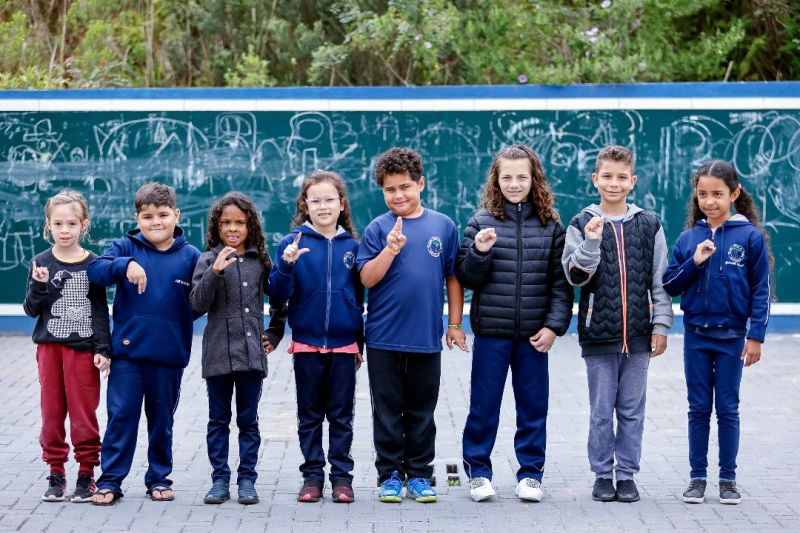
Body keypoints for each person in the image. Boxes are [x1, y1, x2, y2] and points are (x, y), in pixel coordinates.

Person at [457, 145, 572, 503]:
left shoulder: (551, 225)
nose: (514, 183)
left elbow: (561, 283)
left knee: (534, 407)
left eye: (522, 176)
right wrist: (479, 251)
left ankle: (531, 475)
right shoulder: (480, 222)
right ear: (496, 179)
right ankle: (478, 472)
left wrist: (554, 326)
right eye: (507, 177)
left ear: (533, 178)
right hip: (492, 332)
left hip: (534, 336)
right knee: (484, 406)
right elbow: (467, 277)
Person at [562, 145, 673, 503]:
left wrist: (660, 325)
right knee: (600, 412)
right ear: (596, 179)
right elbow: (575, 277)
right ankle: (601, 475)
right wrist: (592, 242)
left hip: (639, 336)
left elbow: (660, 280)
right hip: (599, 334)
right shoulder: (581, 223)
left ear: (632, 181)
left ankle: (626, 475)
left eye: (621, 177)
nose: (614, 183)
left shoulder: (649, 223)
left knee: (631, 411)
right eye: (607, 176)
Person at [357, 147, 468, 503]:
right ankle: (389, 474)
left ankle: (420, 474)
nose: (398, 195)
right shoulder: (377, 228)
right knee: (387, 411)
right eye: (389, 190)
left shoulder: (443, 226)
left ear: (421, 184)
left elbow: (453, 278)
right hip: (383, 339)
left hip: (425, 340)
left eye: (405, 186)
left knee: (422, 410)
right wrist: (389, 250)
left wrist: (453, 324)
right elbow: (367, 279)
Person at [663, 160, 770, 505]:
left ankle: (728, 478)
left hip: (732, 338)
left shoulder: (749, 237)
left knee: (727, 408)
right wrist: (694, 261)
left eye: (718, 194)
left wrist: (756, 336)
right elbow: (669, 284)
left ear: (734, 194)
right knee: (697, 409)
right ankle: (697, 478)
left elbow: (761, 290)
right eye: (703, 194)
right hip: (696, 335)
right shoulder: (689, 238)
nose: (710, 201)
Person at [87, 182, 201, 505]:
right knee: (121, 415)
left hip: (168, 357)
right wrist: (125, 266)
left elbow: (202, 299)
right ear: (138, 218)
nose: (156, 222)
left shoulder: (191, 256)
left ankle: (159, 478)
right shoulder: (125, 247)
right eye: (148, 216)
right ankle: (110, 480)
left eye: (163, 215)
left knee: (162, 421)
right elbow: (95, 271)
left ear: (176, 215)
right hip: (127, 356)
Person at [269, 171, 363, 504]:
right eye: (315, 200)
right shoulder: (292, 243)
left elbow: (361, 298)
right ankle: (312, 476)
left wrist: (360, 344)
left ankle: (341, 478)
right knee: (309, 415)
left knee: (341, 415)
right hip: (307, 343)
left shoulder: (353, 246)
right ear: (305, 205)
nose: (323, 206)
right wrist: (286, 266)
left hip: (343, 345)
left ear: (341, 204)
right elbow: (277, 293)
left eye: (329, 199)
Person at [191, 192, 285, 506]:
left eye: (240, 223)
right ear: (217, 226)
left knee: (248, 420)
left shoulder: (260, 260)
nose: (233, 228)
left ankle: (247, 479)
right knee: (218, 420)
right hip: (218, 352)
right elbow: (195, 306)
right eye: (226, 223)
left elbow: (280, 296)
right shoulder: (207, 259)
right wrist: (215, 271)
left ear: (250, 226)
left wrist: (275, 330)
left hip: (251, 354)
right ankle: (220, 480)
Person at [23, 190, 110, 503]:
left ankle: (86, 472)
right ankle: (56, 472)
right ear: (48, 225)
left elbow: (100, 310)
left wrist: (103, 349)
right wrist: (39, 284)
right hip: (49, 350)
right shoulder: (40, 263)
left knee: (83, 413)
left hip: (83, 350)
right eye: (58, 223)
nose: (64, 229)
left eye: (71, 223)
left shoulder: (95, 265)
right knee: (51, 412)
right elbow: (32, 310)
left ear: (83, 224)